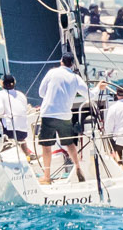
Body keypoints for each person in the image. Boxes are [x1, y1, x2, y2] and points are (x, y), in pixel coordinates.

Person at [33, 53, 89, 184]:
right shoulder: (76, 78)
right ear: (73, 65)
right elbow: (89, 95)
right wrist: (99, 88)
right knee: (69, 143)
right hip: (65, 115)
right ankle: (78, 167)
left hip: (49, 114)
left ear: (61, 61)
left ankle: (47, 177)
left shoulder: (52, 73)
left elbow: (41, 92)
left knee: (46, 146)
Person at [0, 73, 33, 159]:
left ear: (1, 83)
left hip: (9, 132)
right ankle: (27, 155)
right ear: (14, 82)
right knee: (20, 138)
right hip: (23, 132)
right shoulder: (21, 95)